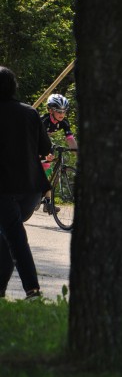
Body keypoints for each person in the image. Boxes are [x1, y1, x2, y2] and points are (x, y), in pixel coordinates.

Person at [0, 66, 52, 299]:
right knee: (8, 237)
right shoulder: (30, 113)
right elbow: (45, 150)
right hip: (31, 190)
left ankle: (32, 290)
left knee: (14, 237)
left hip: (5, 188)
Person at [40, 93, 77, 213]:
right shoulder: (44, 120)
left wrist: (77, 153)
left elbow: (70, 139)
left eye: (64, 111)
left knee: (49, 167)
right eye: (59, 111)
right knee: (43, 164)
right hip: (33, 139)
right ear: (50, 110)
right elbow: (40, 140)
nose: (62, 114)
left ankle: (47, 202)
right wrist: (46, 152)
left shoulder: (64, 122)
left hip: (45, 140)